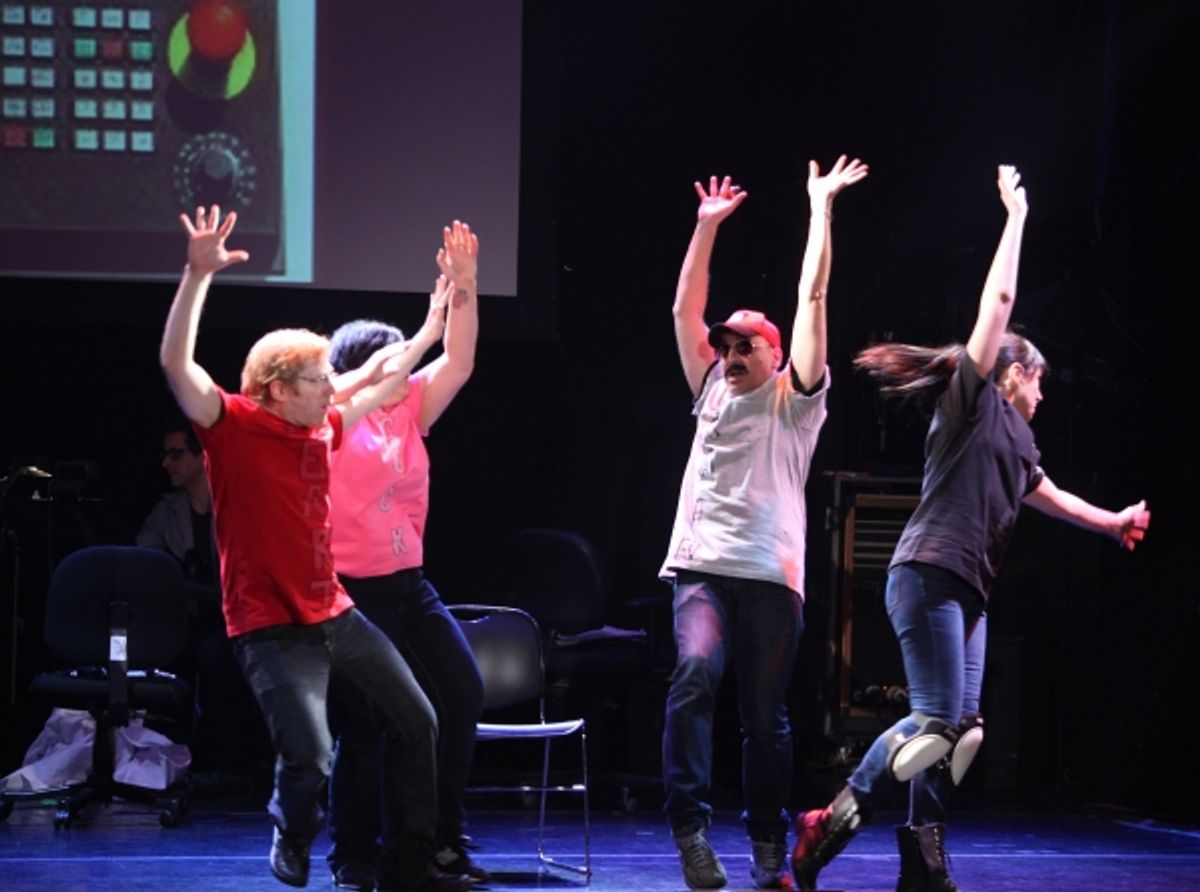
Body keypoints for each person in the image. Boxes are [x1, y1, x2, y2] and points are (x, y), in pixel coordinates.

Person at [790, 165, 1152, 892]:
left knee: (962, 731)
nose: (1044, 394)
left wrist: (1114, 522)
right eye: (1039, 380)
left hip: (970, 592)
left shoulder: (1019, 444)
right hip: (928, 574)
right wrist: (1016, 217)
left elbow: (1052, 498)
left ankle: (924, 864)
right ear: (1012, 374)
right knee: (933, 722)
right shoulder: (971, 404)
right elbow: (1000, 302)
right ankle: (828, 821)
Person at [159, 204, 470, 892]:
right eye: (319, 380)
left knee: (418, 720)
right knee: (311, 754)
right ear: (277, 388)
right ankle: (292, 828)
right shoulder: (232, 426)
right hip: (268, 623)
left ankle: (412, 867)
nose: (333, 387)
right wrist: (197, 275)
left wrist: (431, 328)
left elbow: (378, 380)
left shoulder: (321, 427)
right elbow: (177, 364)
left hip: (333, 610)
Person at [659, 157, 869, 890]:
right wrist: (705, 228)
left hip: (771, 579)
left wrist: (820, 209)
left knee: (764, 717)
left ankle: (768, 842)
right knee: (693, 674)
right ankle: (690, 830)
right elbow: (684, 310)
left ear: (777, 356)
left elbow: (813, 295)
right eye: (726, 345)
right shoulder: (711, 390)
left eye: (746, 344)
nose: (731, 354)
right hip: (701, 570)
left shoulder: (794, 401)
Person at [323, 221, 488, 890]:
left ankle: (435, 843)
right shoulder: (332, 421)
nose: (408, 370)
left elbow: (461, 360)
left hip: (408, 587)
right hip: (348, 595)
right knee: (366, 727)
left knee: (459, 691)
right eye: (392, 361)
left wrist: (465, 287)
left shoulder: (410, 408)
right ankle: (354, 852)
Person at [137, 420, 270, 778]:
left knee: (215, 653)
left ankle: (233, 764)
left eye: (176, 454)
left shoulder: (240, 502)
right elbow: (142, 559)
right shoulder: (168, 512)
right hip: (194, 619)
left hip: (246, 620)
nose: (166, 463)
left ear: (203, 456)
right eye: (165, 454)